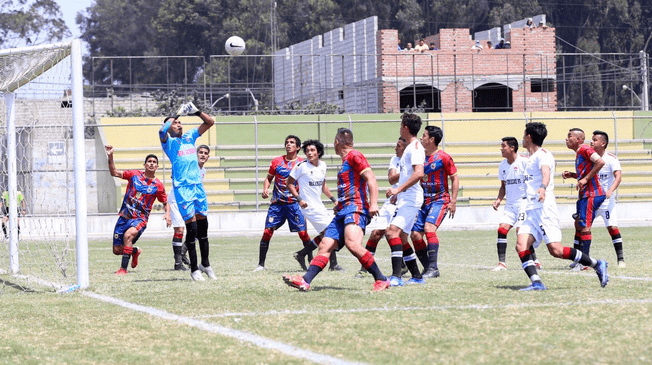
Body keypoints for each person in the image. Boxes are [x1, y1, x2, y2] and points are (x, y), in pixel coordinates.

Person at [283, 128, 390, 292]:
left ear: (337, 142)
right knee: (325, 245)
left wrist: (374, 203)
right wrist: (338, 203)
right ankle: (305, 281)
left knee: (352, 244)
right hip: (342, 210)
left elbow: (371, 178)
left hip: (355, 208)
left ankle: (381, 279)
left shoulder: (355, 155)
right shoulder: (346, 161)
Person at [515, 122, 608, 291]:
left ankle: (597, 264)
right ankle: (537, 282)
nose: (522, 138)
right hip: (531, 210)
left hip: (544, 209)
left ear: (529, 137)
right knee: (521, 245)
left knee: (556, 251)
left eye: (524, 135)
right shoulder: (529, 158)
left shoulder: (544, 155)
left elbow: (545, 173)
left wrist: (542, 188)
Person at [159, 102, 216, 281]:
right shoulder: (170, 144)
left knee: (203, 228)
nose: (179, 124)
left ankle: (205, 264)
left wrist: (196, 112)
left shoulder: (190, 136)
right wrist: (175, 115)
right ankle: (194, 269)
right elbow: (161, 131)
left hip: (197, 187)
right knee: (190, 229)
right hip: (183, 190)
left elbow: (210, 122)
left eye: (179, 122)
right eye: (175, 123)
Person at [106, 145, 170, 275]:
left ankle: (123, 269)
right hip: (124, 217)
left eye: (154, 162)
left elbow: (165, 202)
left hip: (140, 219)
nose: (151, 164)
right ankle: (135, 251)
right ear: (145, 165)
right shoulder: (134, 175)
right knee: (117, 250)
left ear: (157, 167)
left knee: (128, 236)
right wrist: (110, 156)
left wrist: (167, 213)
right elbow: (114, 172)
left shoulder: (158, 185)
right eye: (149, 162)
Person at [255, 135, 314, 272]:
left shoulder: (303, 164)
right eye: (287, 142)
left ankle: (311, 263)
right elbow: (268, 178)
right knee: (267, 232)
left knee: (303, 234)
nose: (288, 144)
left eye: (292, 143)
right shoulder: (277, 161)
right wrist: (265, 189)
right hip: (277, 204)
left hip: (294, 205)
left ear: (298, 147)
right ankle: (261, 265)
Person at [409, 125, 459, 278]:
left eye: (424, 135)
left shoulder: (443, 157)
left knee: (429, 228)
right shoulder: (419, 157)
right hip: (424, 200)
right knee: (415, 235)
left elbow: (454, 178)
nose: (421, 138)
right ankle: (428, 268)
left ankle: (433, 268)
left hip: (440, 199)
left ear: (431, 139)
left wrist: (453, 201)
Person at [287, 139, 343, 272]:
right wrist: (299, 199)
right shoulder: (301, 166)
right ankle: (333, 264)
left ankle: (302, 254)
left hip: (319, 205)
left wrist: (334, 200)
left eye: (312, 150)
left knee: (328, 233)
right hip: (308, 207)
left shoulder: (323, 165)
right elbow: (289, 183)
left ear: (318, 152)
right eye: (307, 151)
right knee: (330, 231)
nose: (309, 153)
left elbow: (323, 186)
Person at [356, 137, 407, 278]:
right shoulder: (395, 160)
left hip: (405, 201)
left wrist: (409, 174)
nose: (395, 148)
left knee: (400, 236)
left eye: (398, 146)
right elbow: (391, 179)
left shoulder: (413, 161)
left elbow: (417, 177)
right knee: (375, 233)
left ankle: (414, 268)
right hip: (391, 200)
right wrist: (406, 172)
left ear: (406, 148)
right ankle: (364, 269)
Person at [385, 113, 426, 286]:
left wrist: (398, 189)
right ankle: (416, 276)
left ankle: (396, 277)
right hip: (405, 197)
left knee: (391, 232)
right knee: (401, 237)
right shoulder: (409, 148)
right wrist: (398, 193)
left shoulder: (416, 147)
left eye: (401, 125)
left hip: (411, 199)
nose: (400, 128)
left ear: (406, 128)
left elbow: (419, 173)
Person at [491, 137, 540, 271]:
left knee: (521, 232)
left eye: (503, 146)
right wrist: (499, 199)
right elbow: (503, 186)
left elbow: (534, 179)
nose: (501, 149)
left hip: (524, 202)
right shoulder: (502, 165)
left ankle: (534, 260)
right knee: (502, 229)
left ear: (512, 148)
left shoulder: (524, 162)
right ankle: (502, 263)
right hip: (510, 205)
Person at [562, 128, 605, 271]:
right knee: (579, 225)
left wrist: (586, 179)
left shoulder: (585, 149)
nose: (566, 139)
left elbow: (600, 162)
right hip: (585, 195)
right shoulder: (579, 152)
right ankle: (578, 259)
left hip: (592, 194)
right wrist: (573, 175)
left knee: (585, 227)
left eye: (569, 136)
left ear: (579, 139)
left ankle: (585, 263)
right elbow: (587, 170)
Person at [168, 144, 211, 271]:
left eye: (205, 153)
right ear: (195, 154)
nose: (203, 155)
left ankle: (182, 253)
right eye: (200, 152)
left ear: (208, 157)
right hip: (177, 199)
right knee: (180, 230)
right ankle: (178, 264)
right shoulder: (190, 166)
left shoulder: (203, 171)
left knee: (196, 229)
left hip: (190, 200)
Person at [591, 130, 626, 267]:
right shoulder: (590, 157)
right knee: (582, 228)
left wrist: (610, 190)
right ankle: (580, 261)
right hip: (592, 200)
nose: (591, 142)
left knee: (612, 227)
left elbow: (618, 176)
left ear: (603, 143)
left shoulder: (611, 159)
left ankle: (621, 259)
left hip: (606, 202)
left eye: (594, 140)